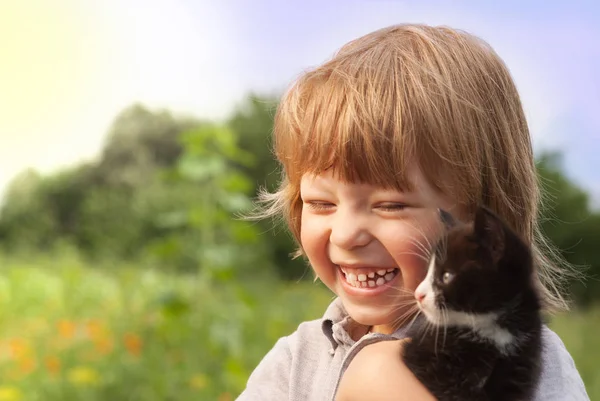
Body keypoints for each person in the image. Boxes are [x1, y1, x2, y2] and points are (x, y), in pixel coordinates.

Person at [236, 23, 589, 401]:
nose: (344, 235)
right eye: (321, 203)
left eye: (390, 205)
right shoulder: (294, 363)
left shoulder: (527, 360)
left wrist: (383, 380)